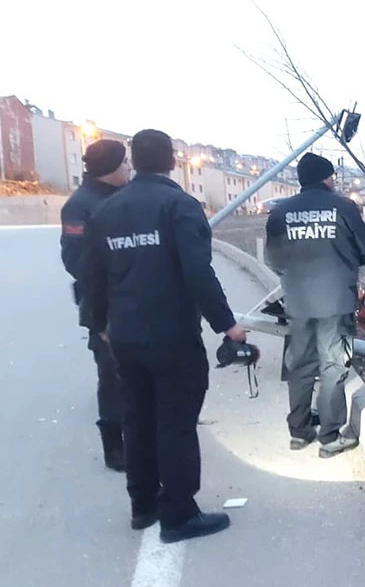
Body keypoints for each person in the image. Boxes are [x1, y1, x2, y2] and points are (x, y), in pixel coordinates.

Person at [82, 129, 248, 543]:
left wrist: (101, 324)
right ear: (172, 160)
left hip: (125, 336)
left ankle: (143, 506)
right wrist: (227, 325)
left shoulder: (107, 211)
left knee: (137, 420)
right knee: (175, 424)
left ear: (134, 161)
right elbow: (198, 272)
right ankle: (178, 515)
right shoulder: (179, 206)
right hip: (171, 335)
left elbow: (92, 276)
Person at [265, 153, 365, 458]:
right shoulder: (343, 207)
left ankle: (299, 433)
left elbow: (272, 260)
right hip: (336, 301)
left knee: (299, 366)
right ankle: (329, 437)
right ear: (326, 178)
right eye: (332, 176)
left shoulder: (280, 213)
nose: (334, 181)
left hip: (298, 303)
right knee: (332, 366)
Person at [60, 139, 132, 472]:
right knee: (112, 377)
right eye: (125, 164)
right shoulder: (80, 205)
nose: (129, 169)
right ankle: (114, 447)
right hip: (103, 306)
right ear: (110, 169)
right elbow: (76, 261)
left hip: (135, 301)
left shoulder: (124, 197)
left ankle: (140, 437)